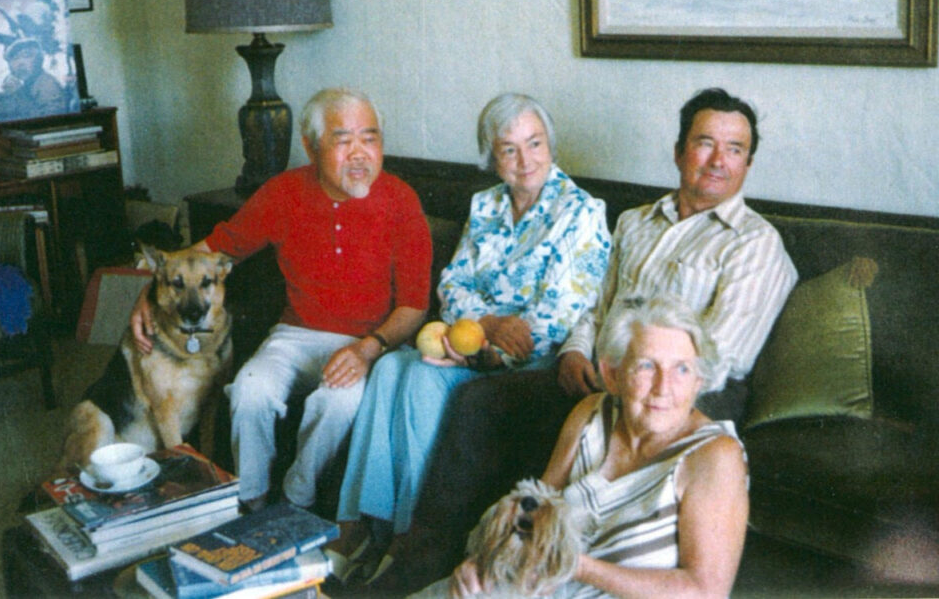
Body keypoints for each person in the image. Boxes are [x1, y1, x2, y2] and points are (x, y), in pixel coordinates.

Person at [329, 93, 612, 586]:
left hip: (530, 361)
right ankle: (358, 524)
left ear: (550, 145)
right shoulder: (485, 206)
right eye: (508, 149)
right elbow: (452, 285)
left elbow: (556, 315)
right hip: (473, 344)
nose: (524, 160)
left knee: (415, 376)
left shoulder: (581, 212)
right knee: (391, 366)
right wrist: (487, 325)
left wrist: (481, 341)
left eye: (534, 143)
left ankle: (407, 539)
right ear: (491, 157)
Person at [130, 87, 433, 510]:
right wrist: (149, 291)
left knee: (336, 404)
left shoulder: (402, 201)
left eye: (371, 138)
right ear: (310, 146)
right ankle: (251, 500)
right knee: (249, 391)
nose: (360, 153)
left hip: (366, 342)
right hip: (294, 334)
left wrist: (369, 349)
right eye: (343, 140)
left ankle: (294, 500)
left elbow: (414, 306)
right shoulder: (284, 193)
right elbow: (215, 250)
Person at [430, 294, 749, 598]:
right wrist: (484, 560)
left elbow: (705, 591)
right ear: (612, 375)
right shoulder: (592, 413)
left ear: (699, 381)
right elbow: (537, 503)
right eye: (646, 366)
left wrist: (575, 566)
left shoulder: (715, 456)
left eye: (682, 369)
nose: (664, 388)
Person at [558, 87, 797, 422]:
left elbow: (722, 356)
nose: (718, 161)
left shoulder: (755, 243)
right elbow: (597, 304)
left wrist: (631, 383)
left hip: (687, 394)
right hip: (600, 377)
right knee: (483, 402)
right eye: (705, 143)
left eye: (734, 149)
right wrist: (575, 351)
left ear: (748, 163)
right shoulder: (633, 222)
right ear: (679, 152)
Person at [0, 37, 66, 116]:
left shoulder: (48, 86)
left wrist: (18, 94)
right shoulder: (29, 82)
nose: (20, 63)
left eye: (27, 56)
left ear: (39, 60)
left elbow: (49, 122)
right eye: (15, 58)